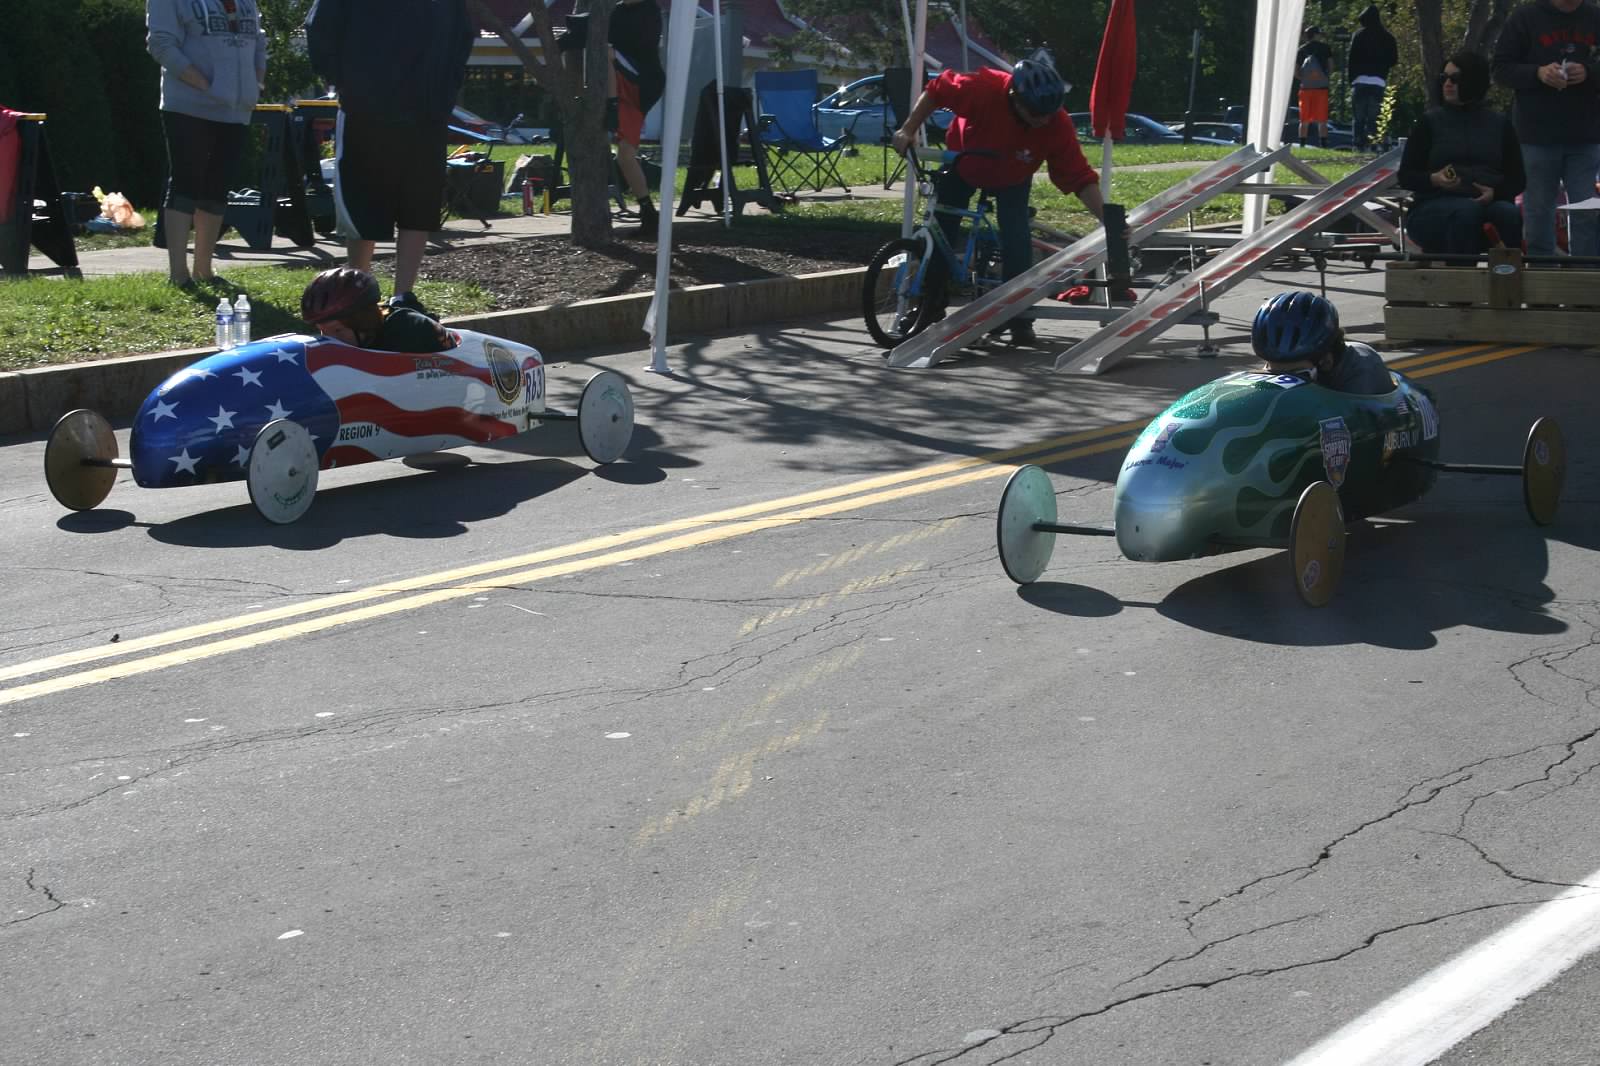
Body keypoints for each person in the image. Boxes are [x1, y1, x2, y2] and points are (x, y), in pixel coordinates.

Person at [890, 58, 1107, 345]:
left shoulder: (1056, 124)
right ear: (1014, 97)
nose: (1042, 119)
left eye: (1048, 114)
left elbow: (1078, 176)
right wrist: (908, 129)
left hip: (1013, 176)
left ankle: (1020, 316)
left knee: (1016, 237)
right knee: (941, 227)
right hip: (965, 160)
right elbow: (936, 90)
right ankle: (929, 306)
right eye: (1035, 113)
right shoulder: (984, 88)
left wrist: (1108, 218)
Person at [305, 0, 475, 314]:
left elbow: (462, 35)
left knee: (418, 205)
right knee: (362, 201)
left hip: (427, 110)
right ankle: (356, 294)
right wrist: (345, 81)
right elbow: (319, 29)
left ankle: (404, 297)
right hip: (365, 109)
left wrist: (446, 88)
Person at [145, 0, 267, 288]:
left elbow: (259, 40)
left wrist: (256, 85)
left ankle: (204, 270)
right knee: (186, 184)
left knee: (217, 188)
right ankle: (178, 274)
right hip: (188, 106)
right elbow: (161, 44)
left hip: (237, 109)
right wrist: (208, 86)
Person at [1492, 0, 1600, 257]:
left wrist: (1589, 72)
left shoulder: (1595, 16)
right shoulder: (1525, 17)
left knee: (1586, 211)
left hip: (1585, 134)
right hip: (1536, 135)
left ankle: (1584, 282)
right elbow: (1500, 69)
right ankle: (1542, 281)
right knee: (1538, 211)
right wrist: (1538, 74)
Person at [1399, 51, 1525, 255]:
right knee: (1467, 212)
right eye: (1444, 78)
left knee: (1508, 213)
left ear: (1473, 81)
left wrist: (1495, 193)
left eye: (1455, 79)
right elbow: (1406, 176)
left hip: (1489, 201)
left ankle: (1507, 279)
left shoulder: (1500, 124)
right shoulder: (1429, 123)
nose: (1448, 84)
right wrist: (1434, 179)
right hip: (1434, 205)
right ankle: (1462, 280)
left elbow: (1518, 178)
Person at [1252, 291, 1393, 395]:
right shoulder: (1286, 360)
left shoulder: (1363, 369)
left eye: (1297, 376)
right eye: (1270, 371)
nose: (1282, 381)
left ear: (1326, 361)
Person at [608, 0, 666, 236]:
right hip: (623, 86)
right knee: (625, 155)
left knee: (602, 50)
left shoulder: (650, 11)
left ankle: (609, 108)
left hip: (642, 83)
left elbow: (641, 45)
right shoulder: (617, 10)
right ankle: (649, 213)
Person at [300, 267, 454, 353]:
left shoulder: (409, 329)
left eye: (338, 330)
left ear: (365, 321)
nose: (329, 341)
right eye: (322, 331)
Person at [1347, 4, 1399, 151]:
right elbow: (1394, 59)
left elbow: (1351, 59)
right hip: (1378, 81)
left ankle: (1358, 145)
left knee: (1359, 118)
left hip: (1360, 80)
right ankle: (1376, 144)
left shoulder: (1358, 35)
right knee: (1375, 117)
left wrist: (1352, 79)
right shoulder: (1388, 37)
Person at [1296, 26, 1335, 148]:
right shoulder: (1325, 48)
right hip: (1321, 88)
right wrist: (1324, 77)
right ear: (1316, 35)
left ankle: (1302, 144)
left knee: (1304, 119)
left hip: (1305, 89)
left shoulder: (1301, 50)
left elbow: (1296, 71)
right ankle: (1323, 143)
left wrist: (1304, 79)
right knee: (1322, 119)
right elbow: (1331, 66)